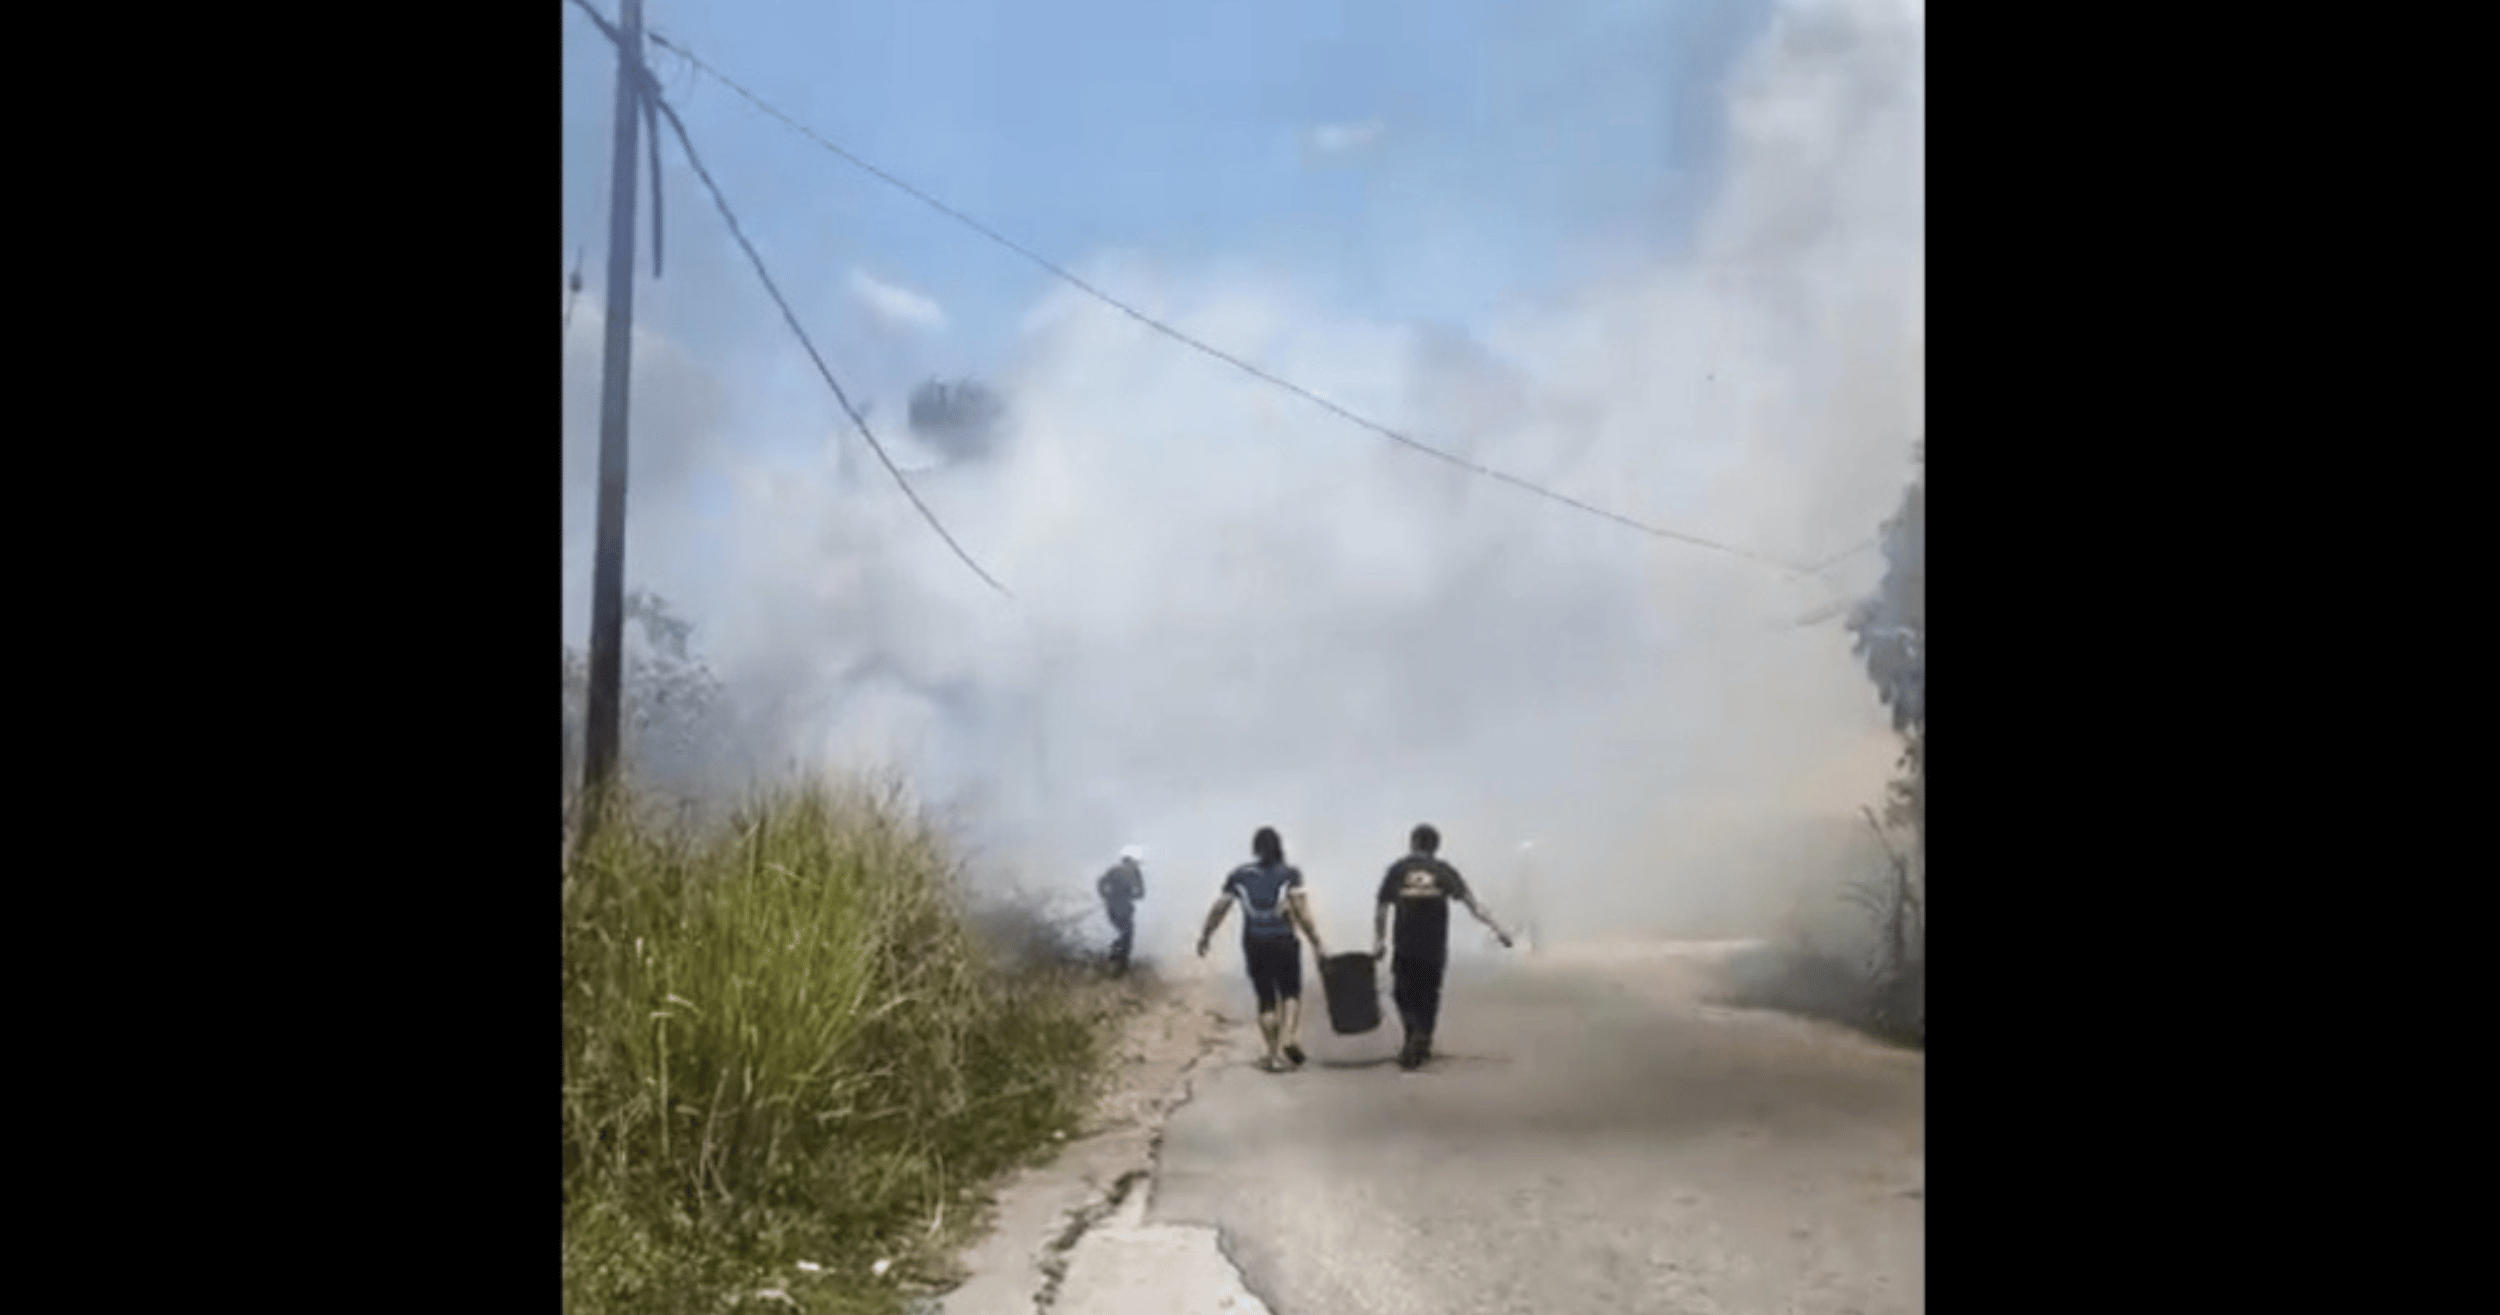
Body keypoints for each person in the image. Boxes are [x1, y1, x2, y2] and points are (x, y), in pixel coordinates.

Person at [1374, 823, 1514, 1070]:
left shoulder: (1398, 869)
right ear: (1436, 846)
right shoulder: (1443, 871)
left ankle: (1414, 1035)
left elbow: (1382, 906)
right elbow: (1473, 905)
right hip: (1433, 946)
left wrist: (1379, 940)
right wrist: (1498, 928)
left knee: (1402, 993)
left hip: (1404, 944)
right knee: (1429, 994)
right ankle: (1421, 1038)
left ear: (1413, 843)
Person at [1198, 826, 1330, 1072]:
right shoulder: (1289, 874)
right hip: (1284, 940)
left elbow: (1221, 906)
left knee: (1266, 998)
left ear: (1255, 849)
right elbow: (1301, 912)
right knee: (1290, 992)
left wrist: (1206, 935)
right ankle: (1289, 1037)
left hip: (1255, 943)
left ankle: (1272, 1054)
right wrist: (1316, 942)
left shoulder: (1239, 875)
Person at [1097, 845, 1147, 975]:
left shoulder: (1113, 870)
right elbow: (1141, 894)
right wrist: (1129, 895)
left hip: (1111, 908)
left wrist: (1107, 896)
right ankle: (1120, 964)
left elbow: (1101, 884)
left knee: (1124, 933)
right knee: (1127, 935)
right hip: (1124, 909)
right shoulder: (1136, 873)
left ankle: (1115, 956)